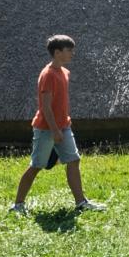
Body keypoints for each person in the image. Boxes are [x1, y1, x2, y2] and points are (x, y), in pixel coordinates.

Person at [10, 34, 105, 213]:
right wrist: (54, 130)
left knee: (74, 160)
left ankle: (81, 203)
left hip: (63, 126)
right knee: (36, 165)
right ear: (57, 52)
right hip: (47, 129)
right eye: (69, 50)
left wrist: (62, 127)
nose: (72, 54)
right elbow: (45, 107)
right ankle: (18, 205)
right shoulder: (48, 75)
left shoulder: (64, 72)